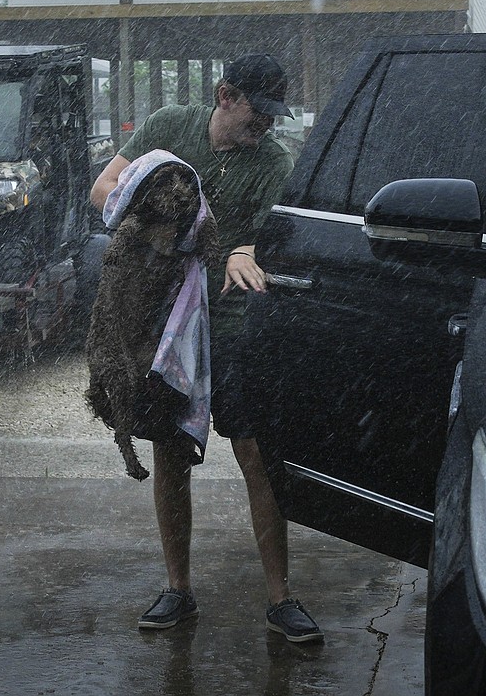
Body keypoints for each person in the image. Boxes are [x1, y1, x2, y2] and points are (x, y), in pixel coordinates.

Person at [89, 53, 322, 643]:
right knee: (170, 457)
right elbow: (104, 189)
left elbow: (270, 235)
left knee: (257, 459)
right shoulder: (168, 129)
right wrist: (164, 217)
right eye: (256, 111)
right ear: (224, 95)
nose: (264, 124)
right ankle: (178, 589)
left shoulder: (272, 161)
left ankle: (280, 597)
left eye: (273, 114)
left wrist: (248, 250)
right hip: (167, 326)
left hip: (237, 329)